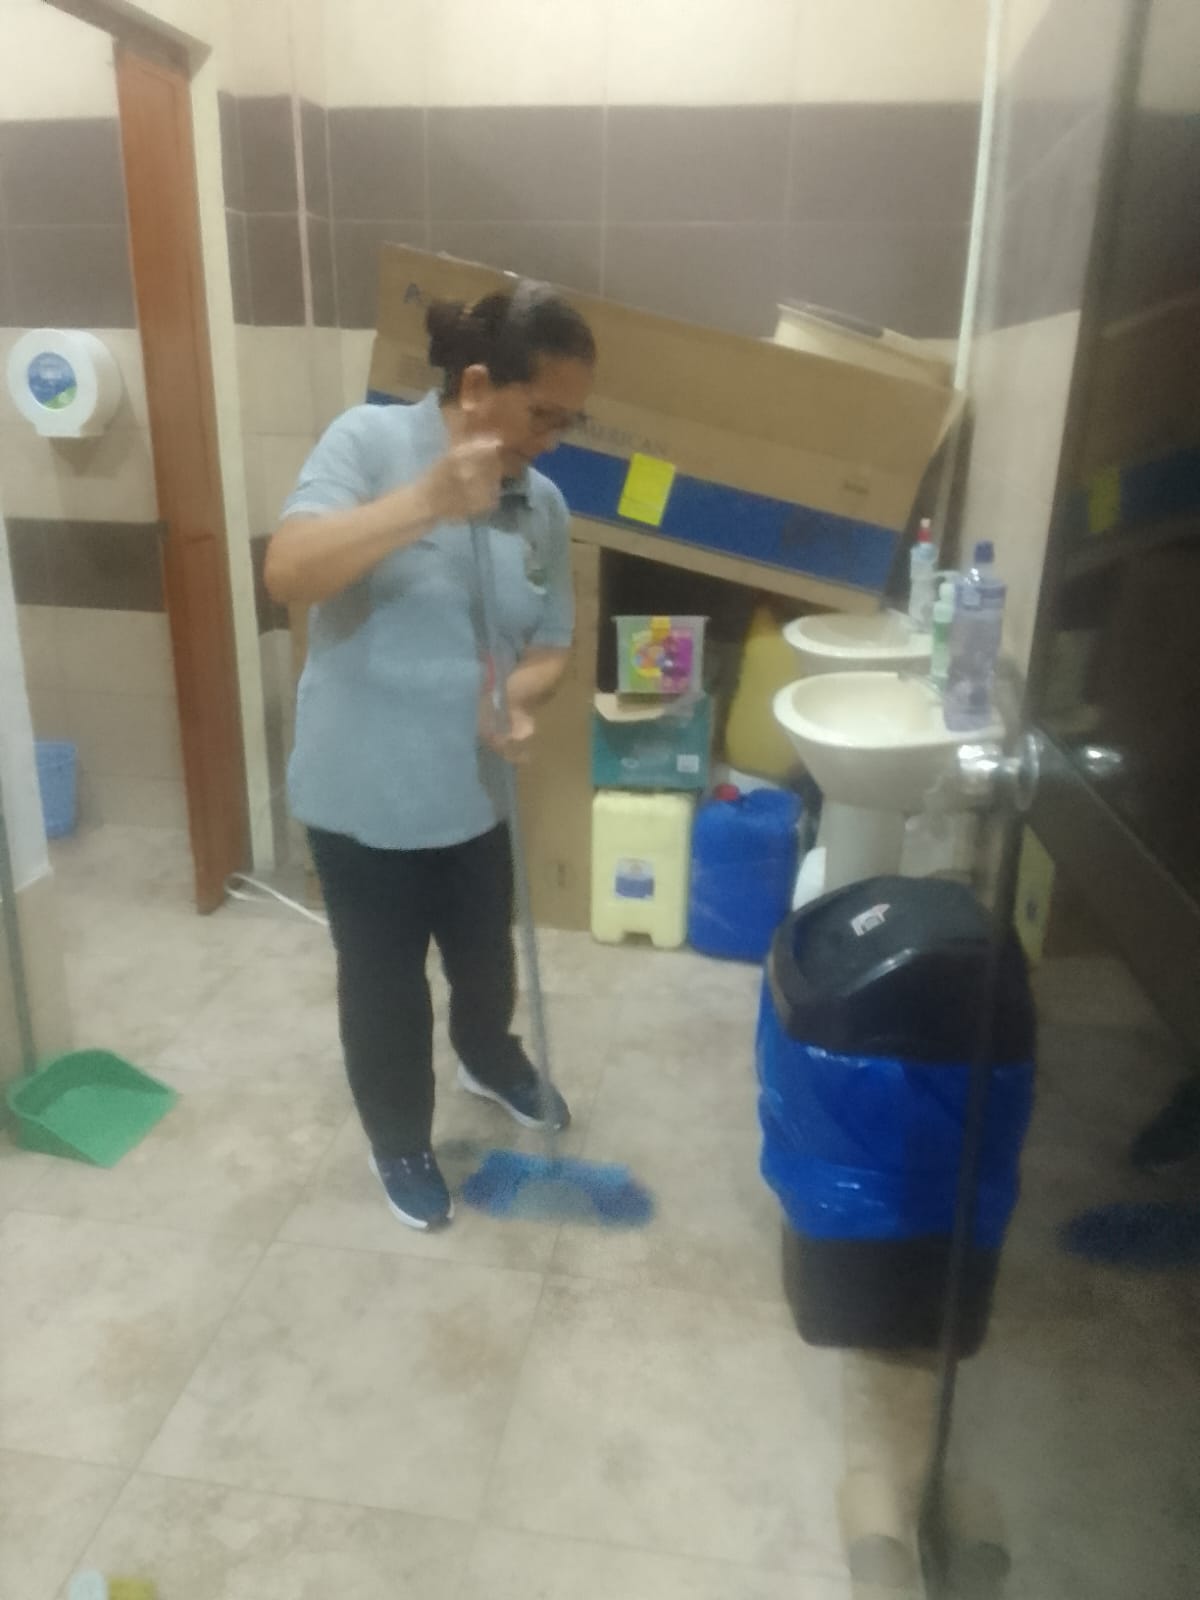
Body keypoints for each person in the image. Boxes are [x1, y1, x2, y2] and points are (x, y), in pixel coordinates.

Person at [265, 283, 596, 1231]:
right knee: (385, 985)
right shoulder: (367, 444)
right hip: (362, 795)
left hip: (474, 795)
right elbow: (289, 572)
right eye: (543, 415)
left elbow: (553, 643)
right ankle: (400, 1138)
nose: (553, 440)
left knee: (485, 964)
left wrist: (519, 699)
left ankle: (488, 1058)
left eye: (568, 421)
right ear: (479, 385)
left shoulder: (542, 503)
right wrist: (426, 501)